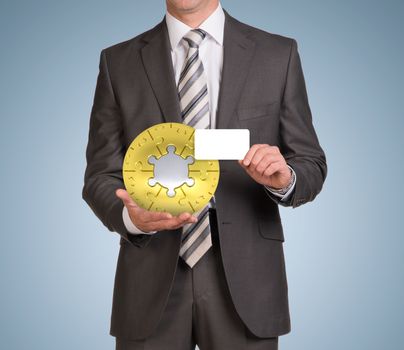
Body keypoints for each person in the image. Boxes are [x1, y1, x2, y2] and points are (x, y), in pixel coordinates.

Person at [82, 1, 327, 349]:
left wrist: (285, 178)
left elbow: (310, 163)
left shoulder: (278, 54)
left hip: (247, 279)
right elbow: (99, 176)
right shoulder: (118, 62)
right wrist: (131, 218)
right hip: (149, 277)